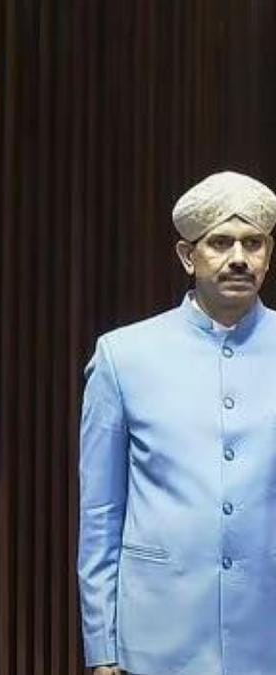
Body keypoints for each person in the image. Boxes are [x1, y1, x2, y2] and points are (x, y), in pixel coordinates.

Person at [79, 171, 276, 675]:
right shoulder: (125, 356)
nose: (239, 257)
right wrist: (102, 648)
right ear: (188, 256)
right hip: (159, 635)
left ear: (269, 253)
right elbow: (101, 512)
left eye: (253, 243)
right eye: (221, 243)